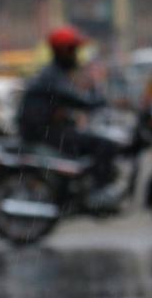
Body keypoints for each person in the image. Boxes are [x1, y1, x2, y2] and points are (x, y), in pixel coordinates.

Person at [16, 26, 122, 208]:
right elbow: (80, 101)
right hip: (43, 133)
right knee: (104, 144)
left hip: (48, 129)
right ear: (63, 52)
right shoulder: (52, 76)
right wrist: (101, 100)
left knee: (88, 139)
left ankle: (82, 187)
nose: (76, 55)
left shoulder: (56, 73)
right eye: (73, 50)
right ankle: (97, 192)